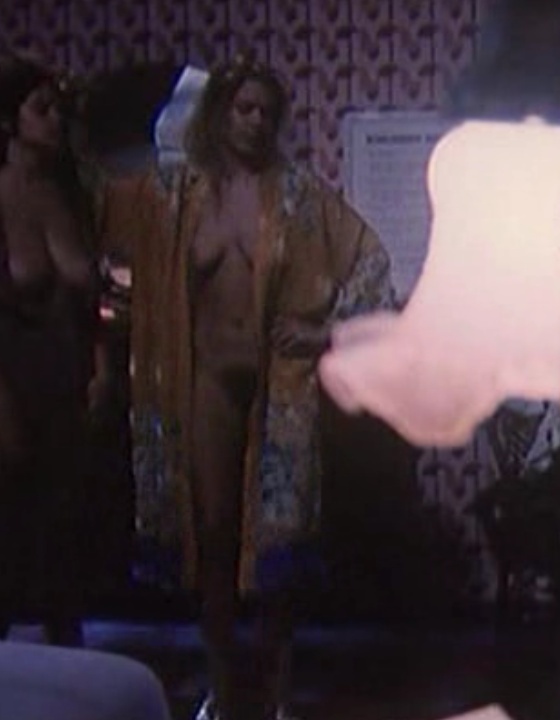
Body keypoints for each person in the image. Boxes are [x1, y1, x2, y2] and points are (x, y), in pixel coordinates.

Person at [99, 55, 394, 720]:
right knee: (213, 532)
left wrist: (325, 332)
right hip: (204, 380)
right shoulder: (174, 195)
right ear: (220, 113)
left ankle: (279, 689)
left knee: (279, 541)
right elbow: (99, 219)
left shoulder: (298, 197)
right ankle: (224, 684)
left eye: (266, 111)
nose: (256, 122)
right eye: (244, 108)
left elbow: (370, 259)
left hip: (278, 383)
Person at [0, 55, 108, 646]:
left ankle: (67, 666)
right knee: (1, 544)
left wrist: (102, 368)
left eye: (59, 108)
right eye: (42, 109)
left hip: (66, 389)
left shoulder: (70, 198)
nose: (56, 119)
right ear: (8, 122)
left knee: (66, 545)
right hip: (9, 385)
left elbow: (93, 301)